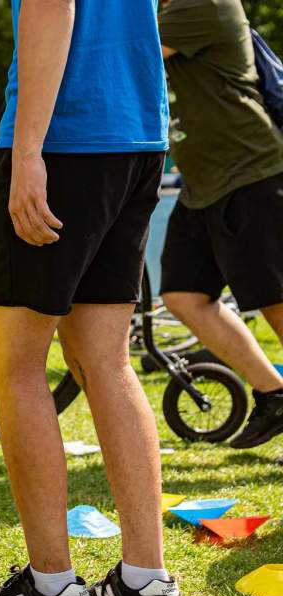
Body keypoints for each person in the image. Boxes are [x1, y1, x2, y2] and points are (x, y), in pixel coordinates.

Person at [0, 0, 186, 596]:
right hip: (138, 140)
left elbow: (51, 6)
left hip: (67, 139)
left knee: (15, 363)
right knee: (104, 360)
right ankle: (146, 581)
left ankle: (52, 589)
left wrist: (28, 151)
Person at [158, 0, 283, 449]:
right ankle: (275, 394)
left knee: (277, 303)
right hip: (204, 186)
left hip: (252, 175)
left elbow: (132, 51)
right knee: (184, 295)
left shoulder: (203, 4)